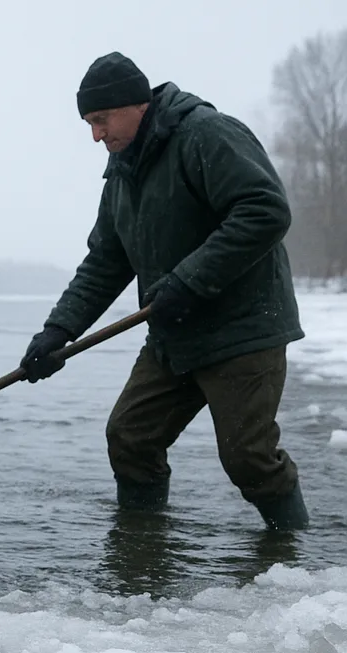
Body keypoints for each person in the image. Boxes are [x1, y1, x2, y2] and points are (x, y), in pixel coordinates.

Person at [21, 53, 308, 531]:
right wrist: (58, 331)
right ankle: (142, 546)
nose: (96, 135)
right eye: (89, 124)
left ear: (135, 104)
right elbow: (105, 262)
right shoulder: (121, 171)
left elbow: (265, 210)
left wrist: (189, 280)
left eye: (100, 120)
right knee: (131, 437)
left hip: (243, 329)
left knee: (247, 458)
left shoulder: (206, 134)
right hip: (174, 334)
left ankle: (294, 555)